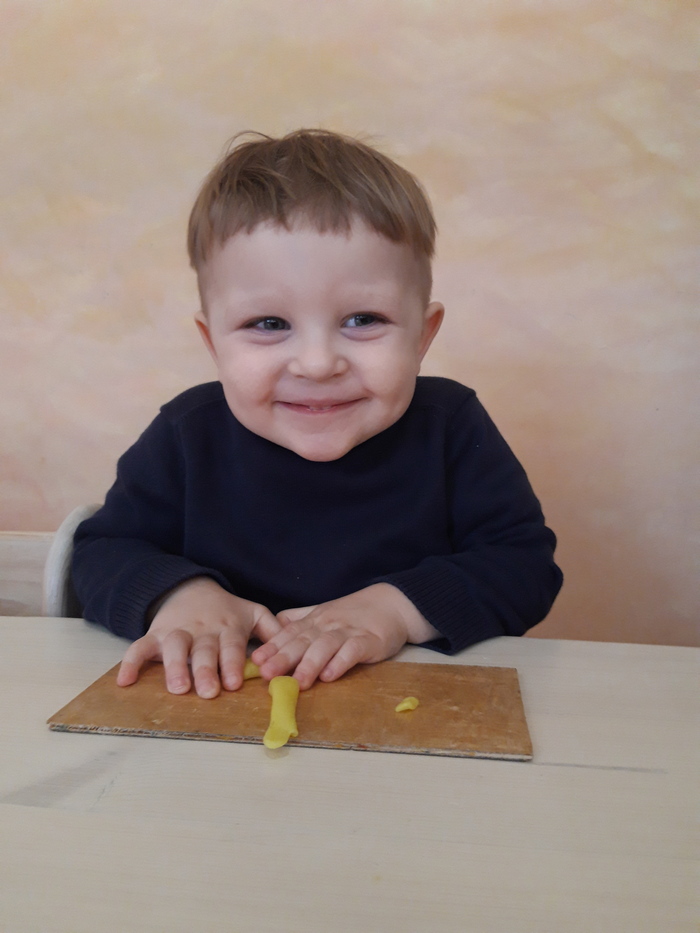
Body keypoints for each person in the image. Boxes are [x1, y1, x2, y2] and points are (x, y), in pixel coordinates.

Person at [71, 129, 563, 699]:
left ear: (422, 335)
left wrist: (396, 610)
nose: (318, 363)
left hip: (407, 716)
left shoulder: (450, 427)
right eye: (268, 324)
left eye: (362, 320)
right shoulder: (187, 436)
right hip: (213, 713)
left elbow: (524, 566)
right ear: (213, 344)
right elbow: (99, 553)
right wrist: (178, 596)